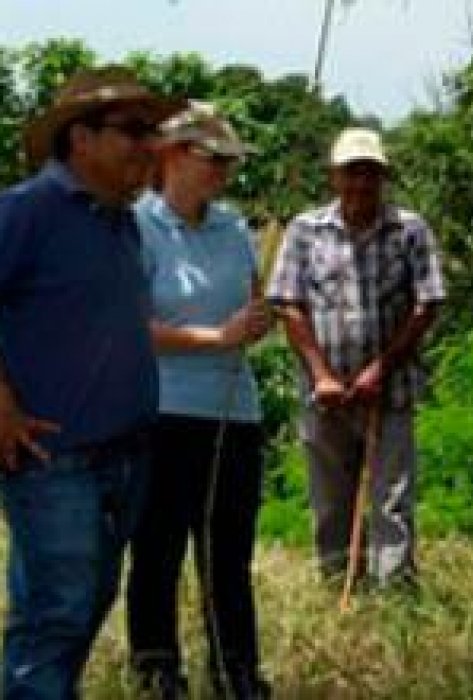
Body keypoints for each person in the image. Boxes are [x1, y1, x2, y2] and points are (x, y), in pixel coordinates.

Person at [0, 66, 179, 697]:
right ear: (80, 138)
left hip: (123, 453)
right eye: (133, 131)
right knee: (58, 613)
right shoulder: (28, 211)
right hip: (57, 459)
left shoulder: (119, 221)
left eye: (152, 132)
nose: (150, 146)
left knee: (85, 606)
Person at [125, 102, 272, 699]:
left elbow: (250, 301)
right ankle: (157, 671)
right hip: (162, 412)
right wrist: (218, 337)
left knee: (228, 556)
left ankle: (237, 671)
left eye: (230, 161)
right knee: (157, 549)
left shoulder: (235, 228)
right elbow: (130, 327)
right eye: (213, 158)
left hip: (234, 413)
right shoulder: (137, 227)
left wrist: (258, 320)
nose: (224, 171)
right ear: (173, 156)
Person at [266, 127, 446, 587]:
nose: (360, 183)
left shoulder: (409, 229)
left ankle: (394, 597)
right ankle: (336, 588)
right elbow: (287, 303)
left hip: (390, 390)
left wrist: (380, 370)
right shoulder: (305, 231)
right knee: (331, 500)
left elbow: (428, 304)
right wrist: (322, 374)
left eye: (369, 173)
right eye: (351, 173)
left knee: (391, 499)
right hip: (322, 392)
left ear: (383, 176)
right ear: (333, 176)